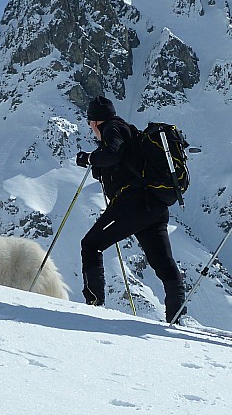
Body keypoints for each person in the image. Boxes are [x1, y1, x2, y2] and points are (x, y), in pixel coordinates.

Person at [76, 96, 185, 323]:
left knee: (91, 245)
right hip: (155, 206)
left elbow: (112, 153)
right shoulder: (129, 130)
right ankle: (176, 317)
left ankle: (94, 305)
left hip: (133, 204)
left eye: (90, 124)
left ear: (95, 122)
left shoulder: (111, 128)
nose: (91, 129)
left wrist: (89, 159)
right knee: (164, 263)